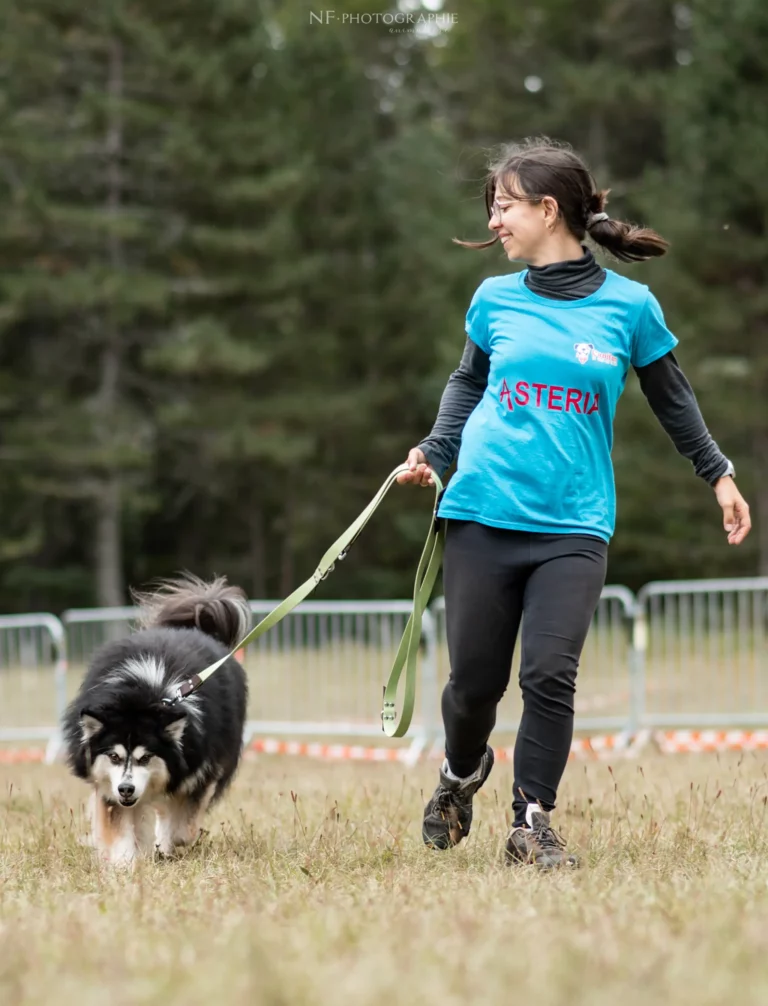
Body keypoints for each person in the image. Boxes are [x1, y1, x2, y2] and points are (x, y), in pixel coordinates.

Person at [397, 137, 751, 870]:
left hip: (573, 526)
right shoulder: (493, 298)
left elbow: (673, 400)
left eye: (503, 207)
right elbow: (468, 383)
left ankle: (532, 821)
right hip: (482, 514)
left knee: (550, 673)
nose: (494, 222)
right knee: (472, 686)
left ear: (546, 209)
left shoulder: (630, 308)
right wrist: (436, 449)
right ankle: (462, 774)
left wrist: (717, 474)